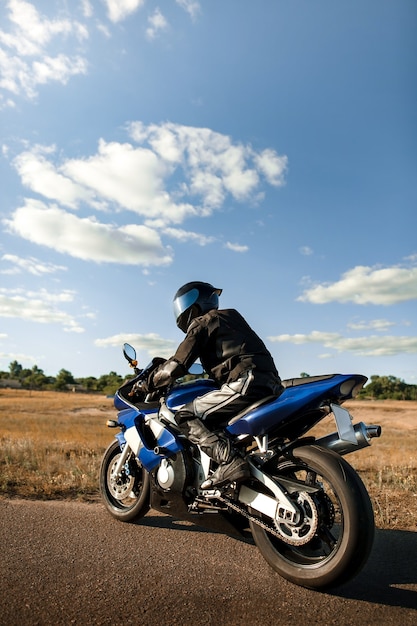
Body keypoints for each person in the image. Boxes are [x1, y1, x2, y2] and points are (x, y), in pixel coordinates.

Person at [142, 281, 282, 490]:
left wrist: (147, 384)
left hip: (246, 381)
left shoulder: (202, 322)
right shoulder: (230, 319)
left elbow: (175, 367)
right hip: (269, 383)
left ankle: (229, 462)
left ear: (190, 303)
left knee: (185, 415)